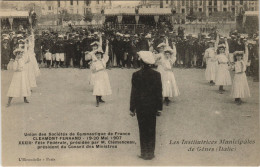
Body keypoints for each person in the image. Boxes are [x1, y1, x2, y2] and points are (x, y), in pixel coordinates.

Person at [130, 51, 162, 160]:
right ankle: (151, 153)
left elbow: (134, 93)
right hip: (152, 107)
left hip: (140, 107)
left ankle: (144, 153)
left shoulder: (136, 75)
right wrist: (159, 108)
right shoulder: (157, 75)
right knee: (151, 129)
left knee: (142, 129)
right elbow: (159, 93)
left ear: (142, 62)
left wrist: (132, 108)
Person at [91, 40, 112, 107]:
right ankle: (97, 102)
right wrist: (97, 49)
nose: (98, 56)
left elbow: (106, 52)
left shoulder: (104, 60)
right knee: (97, 87)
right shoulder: (94, 61)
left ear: (101, 55)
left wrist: (107, 45)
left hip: (104, 75)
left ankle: (100, 99)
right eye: (97, 55)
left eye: (99, 55)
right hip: (98, 75)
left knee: (102, 86)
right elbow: (91, 54)